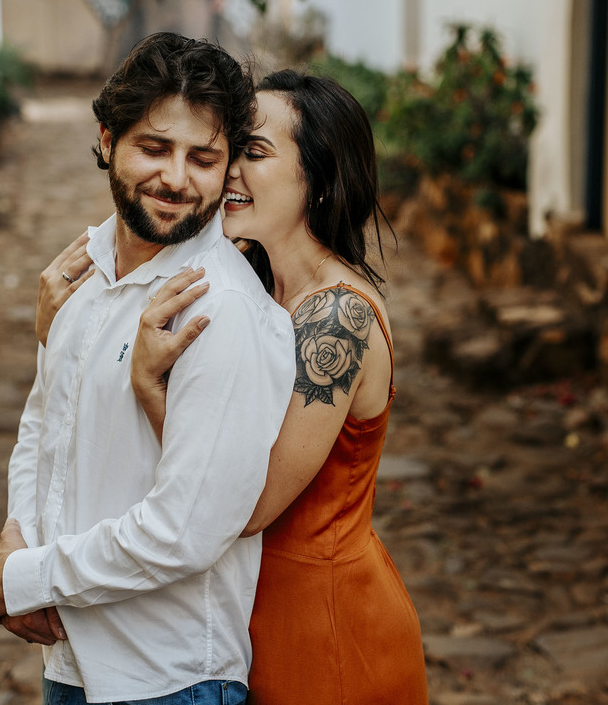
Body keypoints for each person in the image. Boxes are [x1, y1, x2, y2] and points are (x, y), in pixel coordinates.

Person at [38, 70, 430, 703]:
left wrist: (150, 389)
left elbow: (243, 504)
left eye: (255, 152)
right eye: (234, 151)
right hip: (237, 609)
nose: (230, 174)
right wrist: (54, 337)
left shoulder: (338, 317)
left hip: (318, 621)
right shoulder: (248, 283)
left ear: (319, 177)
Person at [0, 33, 295, 705]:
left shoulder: (222, 309)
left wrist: (29, 576)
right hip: (73, 667)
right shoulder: (82, 273)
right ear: (106, 140)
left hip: (170, 680)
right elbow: (45, 422)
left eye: (203, 158)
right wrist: (17, 534)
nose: (176, 178)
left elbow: (187, 530)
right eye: (155, 147)